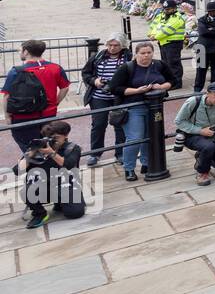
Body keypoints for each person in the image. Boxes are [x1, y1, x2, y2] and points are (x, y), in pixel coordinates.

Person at [109, 41, 176, 182]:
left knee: (150, 136)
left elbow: (173, 80)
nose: (146, 56)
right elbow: (114, 88)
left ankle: (146, 164)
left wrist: (162, 86)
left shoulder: (159, 65)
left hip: (155, 107)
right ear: (136, 54)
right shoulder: (127, 68)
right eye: (143, 53)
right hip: (133, 106)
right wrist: (137, 91)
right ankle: (129, 168)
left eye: (149, 53)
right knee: (135, 138)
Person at [2, 40, 70, 155]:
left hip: (23, 116)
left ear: (26, 52)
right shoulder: (55, 68)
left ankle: (36, 170)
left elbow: (6, 96)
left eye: (20, 50)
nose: (19, 52)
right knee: (49, 147)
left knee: (29, 150)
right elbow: (65, 88)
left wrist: (7, 116)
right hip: (48, 115)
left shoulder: (16, 71)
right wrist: (55, 103)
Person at [17, 120, 83, 230]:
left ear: (65, 136)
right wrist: (31, 154)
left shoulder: (72, 148)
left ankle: (61, 203)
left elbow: (68, 164)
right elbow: (18, 170)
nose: (53, 140)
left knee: (75, 213)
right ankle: (40, 214)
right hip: (44, 187)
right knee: (26, 190)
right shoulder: (38, 147)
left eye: (56, 137)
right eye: (49, 137)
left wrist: (51, 153)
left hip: (65, 185)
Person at [80, 33, 130, 167]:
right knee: (98, 124)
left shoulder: (128, 57)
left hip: (119, 96)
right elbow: (86, 73)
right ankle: (95, 153)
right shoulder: (98, 56)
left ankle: (120, 153)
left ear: (123, 45)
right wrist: (94, 80)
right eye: (110, 45)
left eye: (116, 45)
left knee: (119, 124)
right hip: (98, 97)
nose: (112, 48)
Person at [174, 82, 215, 186]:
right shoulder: (193, 102)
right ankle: (202, 172)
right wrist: (200, 131)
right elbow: (179, 121)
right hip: (193, 135)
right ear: (207, 93)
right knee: (208, 147)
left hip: (214, 135)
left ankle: (203, 157)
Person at [149, 0, 188, 90]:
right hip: (163, 42)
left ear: (174, 8)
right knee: (165, 63)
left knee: (174, 63)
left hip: (173, 43)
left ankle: (176, 83)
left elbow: (167, 30)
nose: (166, 11)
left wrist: (156, 36)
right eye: (165, 9)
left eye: (168, 9)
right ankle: (169, 81)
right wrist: (152, 34)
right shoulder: (162, 15)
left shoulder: (177, 18)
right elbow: (154, 24)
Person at [192, 1, 215, 92]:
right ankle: (197, 90)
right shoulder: (202, 20)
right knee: (200, 70)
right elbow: (203, 32)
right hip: (202, 48)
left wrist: (213, 29)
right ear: (209, 12)